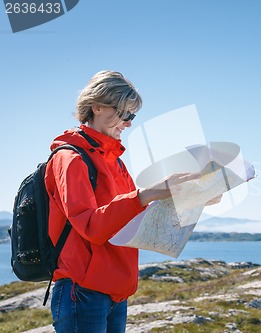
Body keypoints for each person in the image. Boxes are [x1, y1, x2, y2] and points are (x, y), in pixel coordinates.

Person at [44, 70, 215, 332]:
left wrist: (196, 195)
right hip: (83, 290)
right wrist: (148, 193)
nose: (129, 123)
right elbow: (91, 225)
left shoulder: (115, 162)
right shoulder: (71, 159)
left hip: (115, 291)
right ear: (97, 106)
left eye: (132, 115)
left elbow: (132, 218)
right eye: (124, 114)